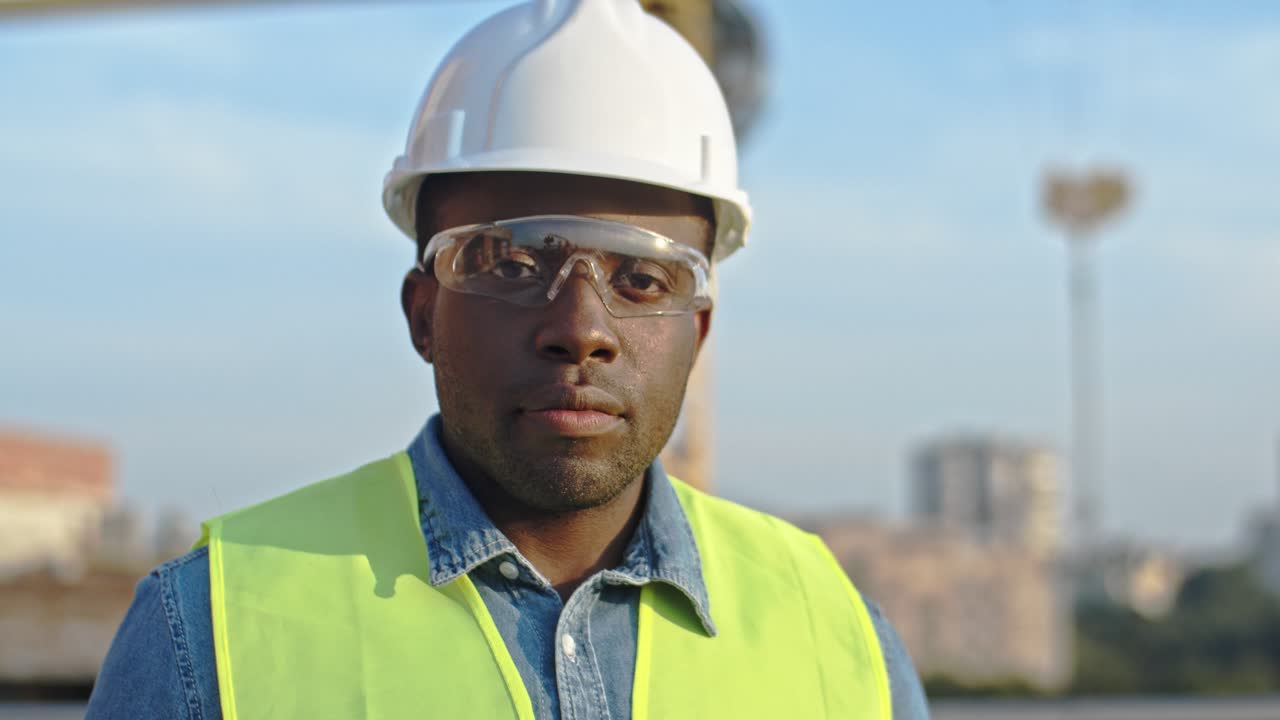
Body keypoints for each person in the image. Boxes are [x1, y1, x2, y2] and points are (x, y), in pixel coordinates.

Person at [87, 0, 929, 718]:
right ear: (423, 314)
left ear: (698, 334)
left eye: (643, 278)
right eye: (511, 263)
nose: (581, 326)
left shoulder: (840, 642)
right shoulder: (202, 634)